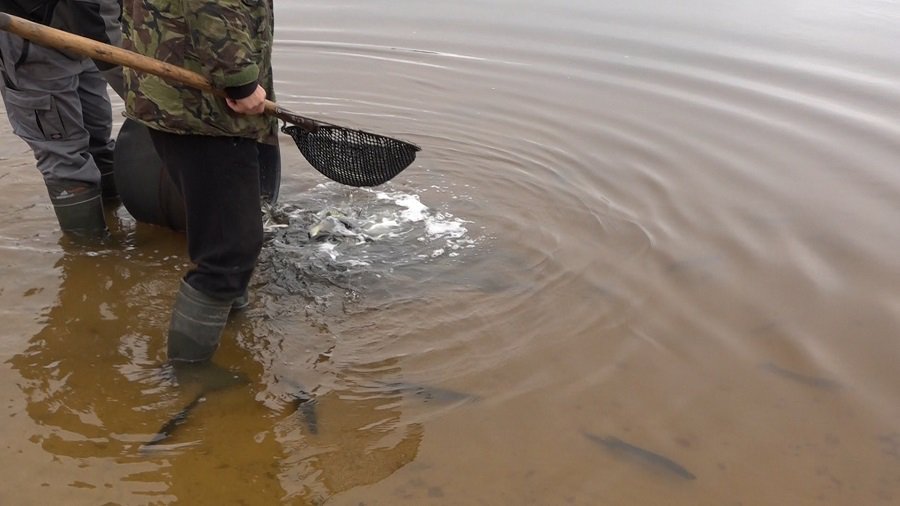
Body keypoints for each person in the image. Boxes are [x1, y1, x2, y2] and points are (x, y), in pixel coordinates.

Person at [120, 0, 279, 363]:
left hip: (174, 97)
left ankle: (227, 319)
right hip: (204, 112)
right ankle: (190, 375)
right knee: (230, 250)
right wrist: (239, 80)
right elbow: (212, 7)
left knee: (228, 234)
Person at [0, 0, 124, 239]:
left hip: (79, 30)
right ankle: (90, 257)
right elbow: (113, 53)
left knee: (97, 137)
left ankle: (115, 219)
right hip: (26, 35)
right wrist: (149, 107)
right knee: (64, 156)